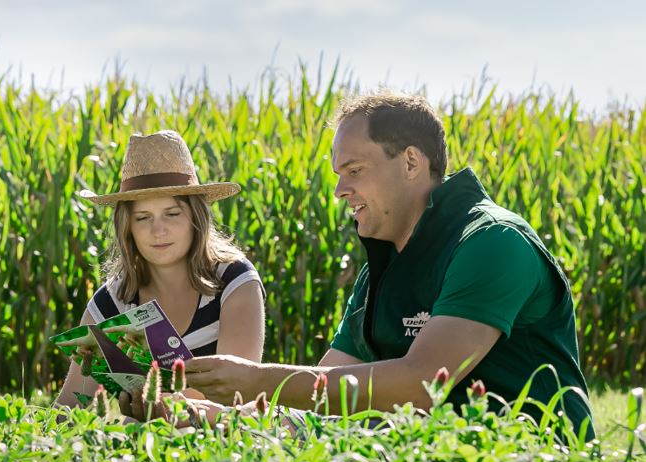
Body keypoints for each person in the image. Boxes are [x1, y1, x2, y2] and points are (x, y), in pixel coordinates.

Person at [183, 92, 594, 438]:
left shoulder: (493, 242)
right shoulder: (384, 267)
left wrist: (259, 380)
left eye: (355, 171)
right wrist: (201, 419)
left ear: (411, 163)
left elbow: (421, 383)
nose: (341, 191)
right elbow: (320, 397)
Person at [54, 130, 266, 407]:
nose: (158, 230)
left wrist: (165, 409)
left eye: (172, 214)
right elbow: (72, 399)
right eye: (143, 218)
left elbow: (238, 394)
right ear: (127, 227)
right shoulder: (112, 300)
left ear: (196, 217)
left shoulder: (235, 281)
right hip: (144, 442)